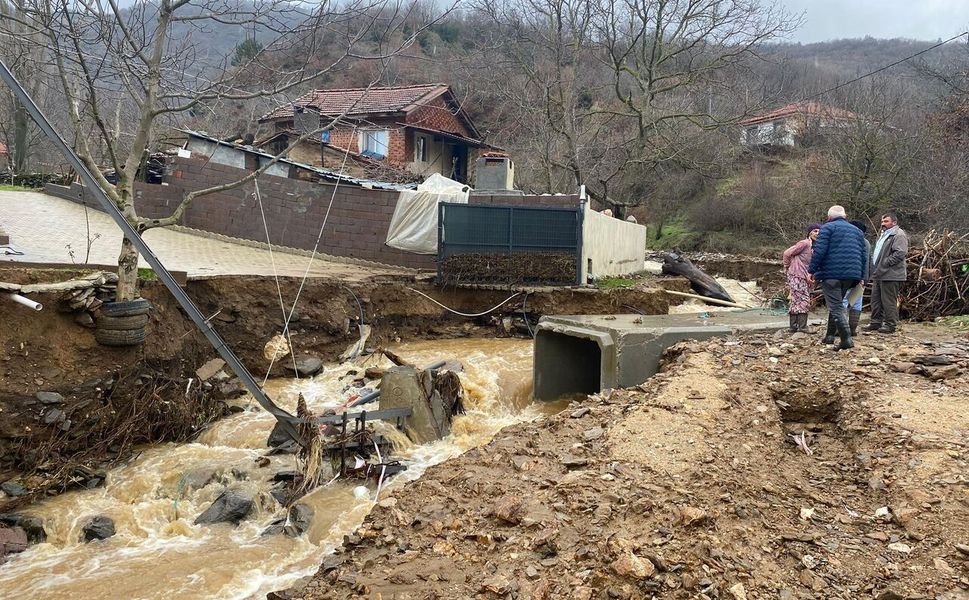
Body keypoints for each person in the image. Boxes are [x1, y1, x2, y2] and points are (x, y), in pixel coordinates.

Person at [807, 205, 867, 350]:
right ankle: (829, 336)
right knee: (836, 303)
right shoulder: (858, 231)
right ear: (845, 216)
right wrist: (861, 276)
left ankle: (846, 339)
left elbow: (819, 251)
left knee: (836, 306)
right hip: (851, 274)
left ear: (829, 217)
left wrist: (811, 270)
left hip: (831, 274)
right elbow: (864, 255)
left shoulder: (827, 228)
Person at [866, 213, 908, 334]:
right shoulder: (884, 234)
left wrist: (885, 263)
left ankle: (890, 324)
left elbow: (900, 253)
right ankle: (875, 322)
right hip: (880, 273)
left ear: (894, 222)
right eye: (882, 221)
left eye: (886, 221)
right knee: (876, 299)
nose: (882, 223)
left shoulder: (898, 235)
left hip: (891, 274)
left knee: (888, 300)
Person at [782, 223, 821, 332]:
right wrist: (787, 266)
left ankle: (793, 326)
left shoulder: (817, 247)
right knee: (803, 300)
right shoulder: (804, 244)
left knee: (796, 300)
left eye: (819, 231)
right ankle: (802, 327)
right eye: (815, 231)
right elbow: (787, 253)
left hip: (805, 277)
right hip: (796, 275)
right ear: (809, 233)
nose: (817, 233)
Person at [842, 220, 871, 336]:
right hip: (863, 277)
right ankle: (852, 329)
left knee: (843, 301)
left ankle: (842, 329)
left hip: (850, 276)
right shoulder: (867, 243)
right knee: (856, 302)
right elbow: (869, 263)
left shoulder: (850, 241)